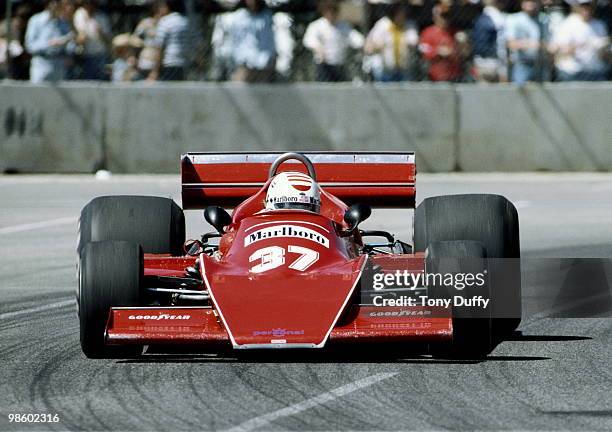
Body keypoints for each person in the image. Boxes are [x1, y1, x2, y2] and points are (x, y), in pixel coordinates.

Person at [303, 0, 364, 82]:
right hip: (323, 66)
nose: (331, 14)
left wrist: (364, 43)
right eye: (328, 11)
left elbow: (355, 38)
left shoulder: (344, 26)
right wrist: (317, 47)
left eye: (333, 11)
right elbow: (308, 39)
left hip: (340, 65)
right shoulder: (317, 25)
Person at [550, 0, 610, 81]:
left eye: (589, 6)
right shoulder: (567, 25)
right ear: (577, 7)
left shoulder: (600, 25)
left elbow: (604, 55)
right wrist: (577, 46)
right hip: (571, 73)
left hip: (595, 72)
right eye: (583, 7)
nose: (586, 10)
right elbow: (557, 51)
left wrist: (603, 48)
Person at [364, 2, 419, 82]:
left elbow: (414, 41)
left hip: (404, 69)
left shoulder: (409, 25)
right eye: (400, 13)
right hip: (386, 69)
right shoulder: (383, 24)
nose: (402, 16)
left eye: (404, 13)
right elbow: (369, 43)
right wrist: (377, 45)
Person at [224, 0, 277, 82]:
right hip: (243, 65)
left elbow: (269, 42)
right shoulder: (238, 17)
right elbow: (235, 43)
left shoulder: (267, 17)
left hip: (263, 66)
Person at [24, 0, 76, 83]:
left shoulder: (64, 22)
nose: (56, 5)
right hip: (41, 63)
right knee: (37, 93)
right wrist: (49, 44)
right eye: (54, 2)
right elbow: (29, 45)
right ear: (48, 4)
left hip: (59, 64)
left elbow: (71, 45)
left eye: (59, 3)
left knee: (57, 95)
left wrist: (68, 47)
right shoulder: (36, 20)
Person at [419, 2, 470, 82]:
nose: (445, 19)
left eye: (447, 16)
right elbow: (423, 51)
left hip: (454, 77)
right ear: (435, 17)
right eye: (442, 16)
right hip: (434, 77)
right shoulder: (428, 33)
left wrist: (463, 44)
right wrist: (438, 51)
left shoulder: (454, 33)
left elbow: (465, 54)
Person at [505, 0, 549, 84]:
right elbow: (509, 43)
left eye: (534, 1)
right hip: (521, 63)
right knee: (520, 93)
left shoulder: (544, 19)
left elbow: (547, 44)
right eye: (527, 1)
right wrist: (529, 44)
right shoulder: (514, 19)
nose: (531, 4)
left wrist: (539, 45)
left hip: (539, 63)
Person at [148, 0, 192, 81]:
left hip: (169, 62)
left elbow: (159, 47)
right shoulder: (186, 22)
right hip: (185, 63)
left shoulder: (165, 21)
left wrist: (155, 71)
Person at [73, 0, 111, 80]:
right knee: (86, 81)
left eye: (91, 3)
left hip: (100, 55)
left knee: (101, 81)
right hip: (85, 56)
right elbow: (79, 37)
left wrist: (101, 33)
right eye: (87, 3)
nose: (89, 5)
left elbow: (109, 40)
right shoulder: (79, 14)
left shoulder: (101, 16)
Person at [471, 0, 508, 82]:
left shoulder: (496, 17)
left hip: (494, 62)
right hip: (488, 62)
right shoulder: (488, 19)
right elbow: (481, 46)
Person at [133, 1, 163, 78]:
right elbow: (134, 39)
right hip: (146, 60)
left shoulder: (165, 22)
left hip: (160, 62)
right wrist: (144, 45)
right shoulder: (146, 22)